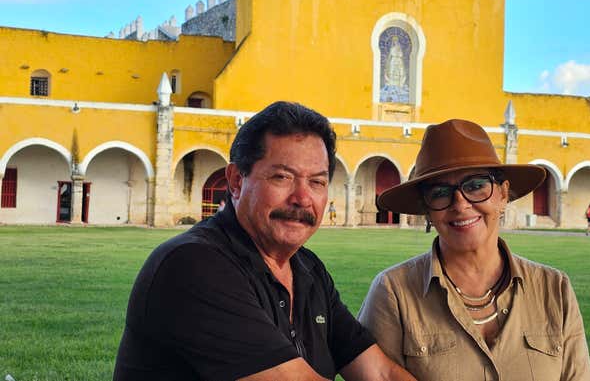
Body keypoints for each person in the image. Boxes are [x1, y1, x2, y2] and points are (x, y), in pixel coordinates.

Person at [114, 101, 416, 381]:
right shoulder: (193, 266)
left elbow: (380, 373)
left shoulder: (308, 270)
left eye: (317, 182)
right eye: (282, 177)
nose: (302, 198)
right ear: (235, 181)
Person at [357, 119, 590, 381]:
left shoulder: (555, 290)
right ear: (427, 210)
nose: (460, 204)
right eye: (440, 192)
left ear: (503, 195)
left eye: (475, 185)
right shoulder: (393, 294)